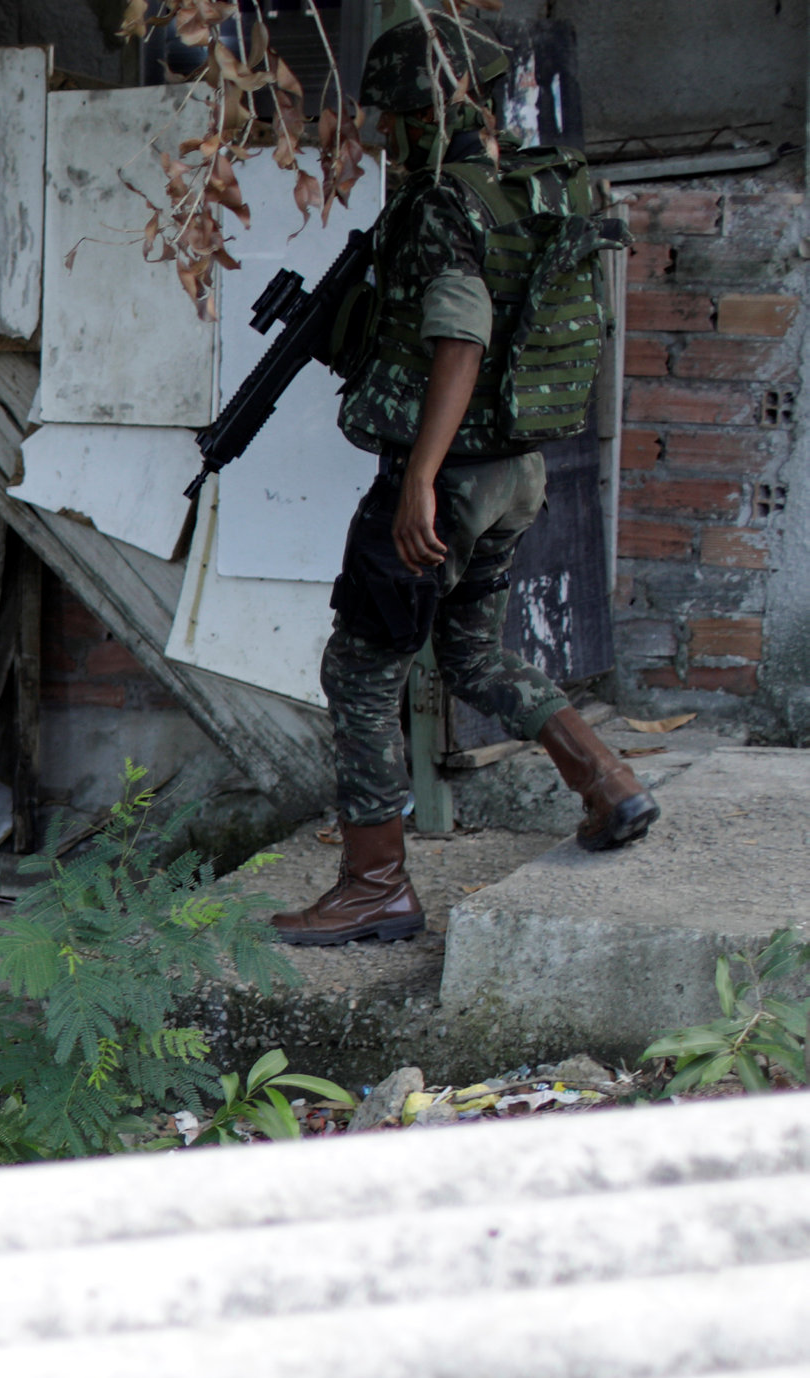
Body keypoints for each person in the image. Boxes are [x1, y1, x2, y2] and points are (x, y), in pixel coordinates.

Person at [279, 1, 653, 948]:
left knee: (360, 673)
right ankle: (608, 782)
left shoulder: (443, 205)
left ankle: (375, 885)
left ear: (413, 113)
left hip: (443, 485)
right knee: (473, 657)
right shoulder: (531, 192)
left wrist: (418, 481)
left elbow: (461, 335)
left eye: (387, 119)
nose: (380, 137)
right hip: (517, 474)